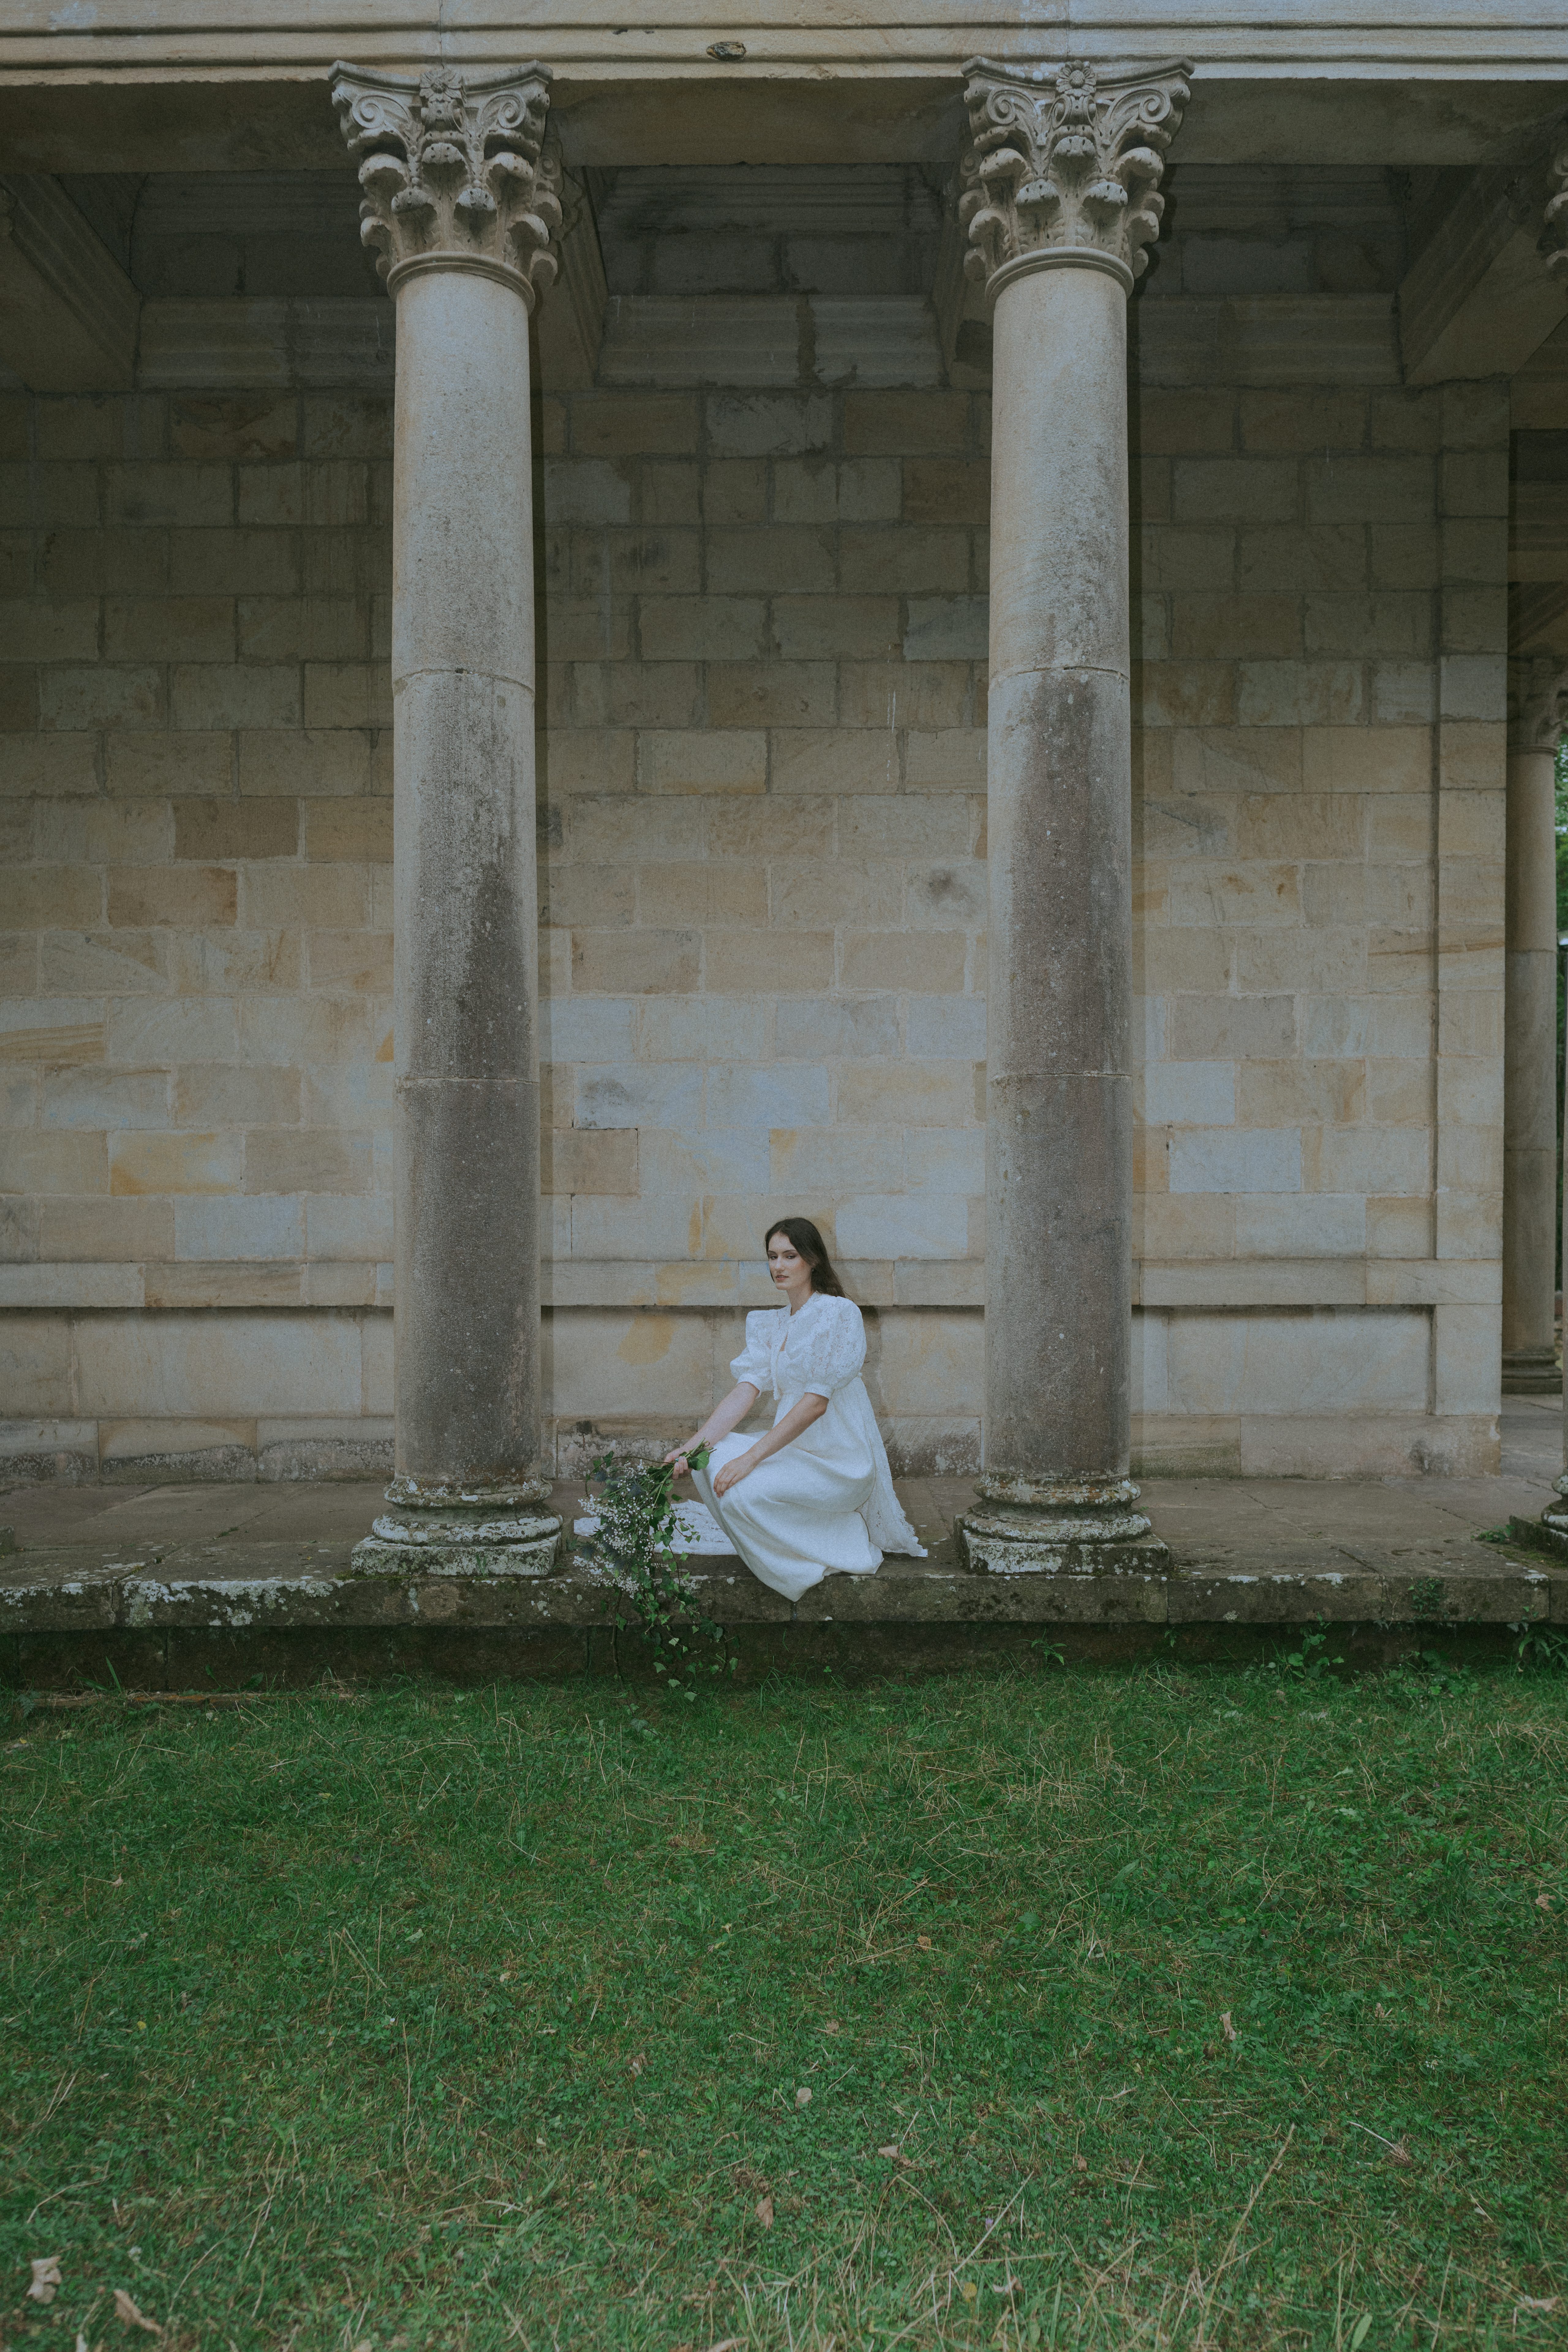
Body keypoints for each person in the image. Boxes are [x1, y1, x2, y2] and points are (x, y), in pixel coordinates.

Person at [663, 1217, 927, 1603]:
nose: (778, 1266)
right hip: (792, 1451)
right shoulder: (769, 1324)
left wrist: (752, 1458)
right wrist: (689, 1447)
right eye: (772, 1257)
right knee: (709, 1459)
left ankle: (829, 1552)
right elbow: (744, 1392)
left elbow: (816, 1404)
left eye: (790, 1256)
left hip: (838, 1461)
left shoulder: (838, 1313)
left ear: (813, 1260)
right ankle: (794, 1547)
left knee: (741, 1492)